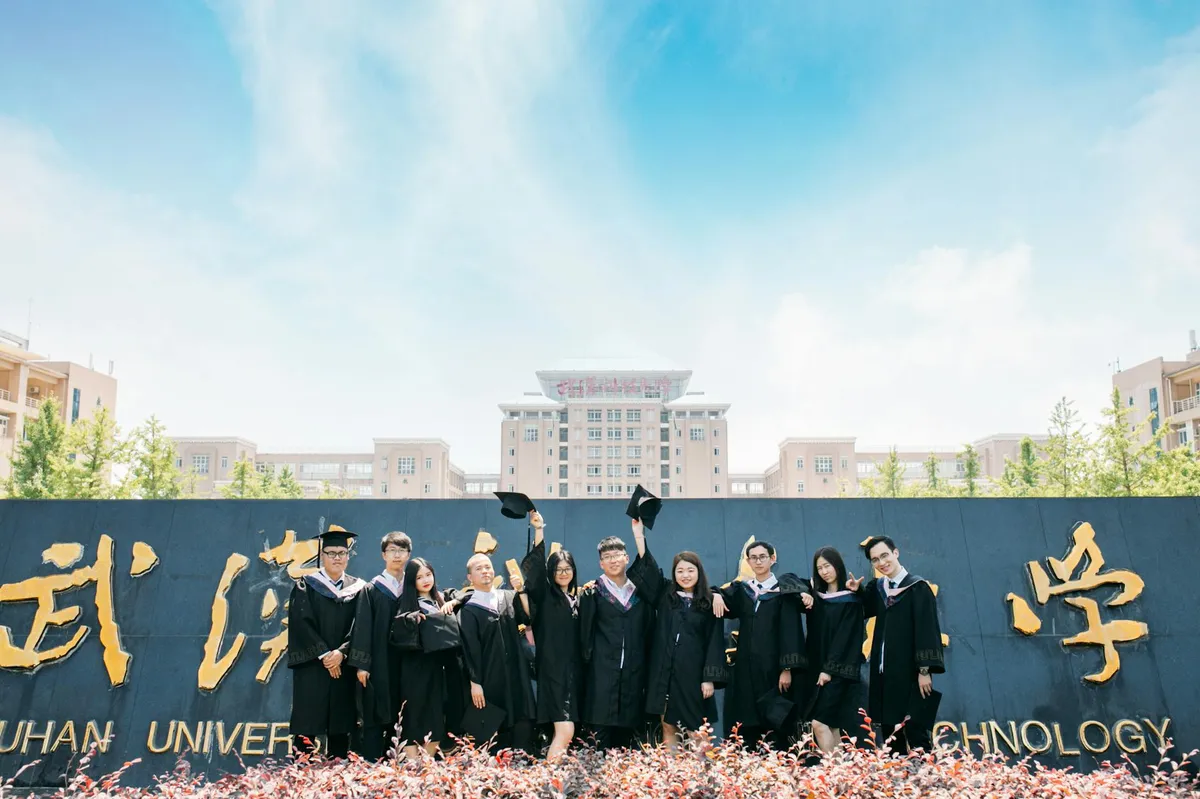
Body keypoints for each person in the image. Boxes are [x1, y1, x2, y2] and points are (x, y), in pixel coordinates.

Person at [627, 519, 727, 750]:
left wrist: (708, 677)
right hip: (663, 672)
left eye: (690, 570)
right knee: (667, 725)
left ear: (699, 572)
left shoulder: (708, 603)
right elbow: (648, 569)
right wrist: (639, 535)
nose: (685, 575)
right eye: (680, 571)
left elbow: (714, 641)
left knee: (696, 728)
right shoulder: (665, 595)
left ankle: (704, 778)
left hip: (692, 675)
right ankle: (672, 775)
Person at [846, 535, 944, 754]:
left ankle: (928, 783)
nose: (881, 562)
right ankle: (900, 783)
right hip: (884, 674)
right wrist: (857, 591)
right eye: (875, 560)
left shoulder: (917, 587)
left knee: (916, 731)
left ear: (896, 553)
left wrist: (924, 670)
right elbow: (866, 607)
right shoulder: (879, 588)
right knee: (891, 734)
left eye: (885, 555)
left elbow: (927, 629)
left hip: (911, 673)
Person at [286, 524, 371, 759]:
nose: (337, 558)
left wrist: (342, 653)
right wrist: (325, 655)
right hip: (313, 666)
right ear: (322, 556)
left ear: (348, 556)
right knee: (307, 729)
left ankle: (337, 784)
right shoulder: (306, 585)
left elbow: (361, 626)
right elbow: (301, 623)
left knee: (341, 726)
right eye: (331, 553)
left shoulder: (359, 589)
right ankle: (300, 783)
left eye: (341, 553)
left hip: (343, 667)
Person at [711, 540, 805, 749]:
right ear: (748, 561)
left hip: (774, 670)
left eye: (763, 557)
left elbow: (790, 632)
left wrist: (787, 668)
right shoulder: (744, 591)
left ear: (773, 559)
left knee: (775, 722)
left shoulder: (784, 592)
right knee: (747, 723)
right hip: (746, 669)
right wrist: (716, 595)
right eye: (753, 558)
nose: (758, 561)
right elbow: (716, 594)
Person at [578, 533, 655, 750]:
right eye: (607, 557)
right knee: (598, 739)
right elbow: (584, 635)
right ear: (601, 563)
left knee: (628, 742)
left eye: (617, 555)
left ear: (627, 558)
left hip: (633, 674)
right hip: (600, 674)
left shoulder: (640, 593)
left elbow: (648, 631)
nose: (613, 560)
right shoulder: (592, 592)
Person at [457, 553, 537, 753]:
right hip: (490, 677)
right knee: (494, 728)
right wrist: (475, 682)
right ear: (470, 577)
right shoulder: (469, 610)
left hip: (517, 673)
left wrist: (520, 590)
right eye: (479, 569)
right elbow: (470, 648)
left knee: (522, 719)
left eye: (488, 567)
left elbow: (528, 619)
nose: (485, 571)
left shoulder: (508, 597)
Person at [520, 511, 583, 761]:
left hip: (573, 672)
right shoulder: (545, 596)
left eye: (568, 568)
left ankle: (554, 779)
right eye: (558, 569)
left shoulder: (578, 598)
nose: (563, 573)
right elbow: (534, 570)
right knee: (565, 729)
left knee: (569, 730)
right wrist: (539, 530)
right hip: (554, 672)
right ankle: (549, 780)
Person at [389, 557, 462, 760]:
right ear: (411, 581)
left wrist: (453, 602)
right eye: (419, 577)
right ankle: (411, 770)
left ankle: (427, 767)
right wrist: (411, 621)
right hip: (415, 672)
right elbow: (395, 638)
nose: (425, 580)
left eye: (428, 574)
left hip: (438, 671)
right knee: (414, 718)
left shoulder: (442, 599)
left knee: (436, 720)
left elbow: (469, 593)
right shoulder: (406, 605)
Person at [797, 546, 865, 753]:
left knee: (819, 723)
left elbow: (845, 638)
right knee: (832, 725)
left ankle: (830, 773)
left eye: (827, 566)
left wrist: (829, 670)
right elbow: (787, 581)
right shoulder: (815, 596)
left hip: (839, 669)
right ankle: (841, 774)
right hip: (817, 667)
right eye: (819, 568)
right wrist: (803, 592)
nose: (824, 571)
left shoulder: (851, 599)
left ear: (837, 565)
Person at [352, 531, 411, 761]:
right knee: (376, 713)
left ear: (408, 555)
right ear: (383, 555)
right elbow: (362, 627)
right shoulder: (372, 589)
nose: (397, 555)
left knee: (403, 713)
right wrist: (361, 665)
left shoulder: (413, 587)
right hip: (378, 663)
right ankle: (372, 766)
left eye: (402, 550)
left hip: (407, 663)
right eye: (392, 551)